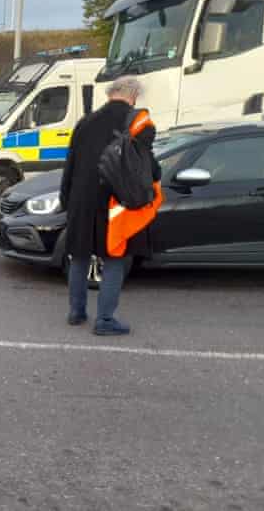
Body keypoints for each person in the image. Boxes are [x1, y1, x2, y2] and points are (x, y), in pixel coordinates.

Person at [59, 76, 158, 336]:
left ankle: (76, 312)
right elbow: (149, 167)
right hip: (117, 202)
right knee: (115, 258)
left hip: (81, 200)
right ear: (134, 95)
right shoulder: (138, 122)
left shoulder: (85, 122)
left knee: (79, 256)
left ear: (110, 94)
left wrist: (65, 199)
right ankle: (104, 320)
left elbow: (70, 164)